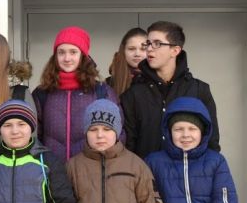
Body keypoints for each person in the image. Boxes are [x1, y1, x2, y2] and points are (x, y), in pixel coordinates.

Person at [121, 20, 220, 158]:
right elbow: (128, 147)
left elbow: (211, 141)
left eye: (157, 43)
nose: (149, 49)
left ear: (175, 50)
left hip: (189, 171)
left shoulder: (199, 90)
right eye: (148, 43)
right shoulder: (133, 93)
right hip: (146, 170)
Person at [32, 26, 122, 163]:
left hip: (90, 170)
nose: (67, 58)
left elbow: (119, 132)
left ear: (83, 56)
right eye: (61, 52)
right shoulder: (42, 93)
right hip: (51, 170)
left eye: (73, 52)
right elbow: (33, 136)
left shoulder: (101, 91)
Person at [105, 27, 147, 95]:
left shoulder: (158, 81)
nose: (137, 54)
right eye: (131, 49)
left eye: (143, 49)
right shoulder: (108, 84)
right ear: (123, 51)